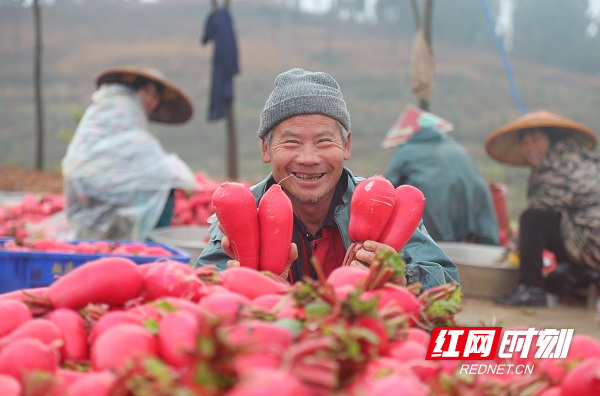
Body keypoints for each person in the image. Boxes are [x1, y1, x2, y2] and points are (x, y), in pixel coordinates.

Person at [197, 68, 459, 290]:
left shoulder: (381, 204)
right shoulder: (243, 210)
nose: (309, 158)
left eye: (324, 141)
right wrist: (246, 288)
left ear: (346, 145)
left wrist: (403, 280)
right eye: (291, 142)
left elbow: (448, 283)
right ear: (266, 149)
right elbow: (201, 289)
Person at [62, 67, 198, 242]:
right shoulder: (123, 106)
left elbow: (130, 152)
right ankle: (150, 246)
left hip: (81, 183)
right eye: (153, 95)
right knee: (166, 185)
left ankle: (122, 240)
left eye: (157, 99)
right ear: (143, 91)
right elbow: (138, 149)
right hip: (94, 184)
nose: (154, 102)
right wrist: (177, 172)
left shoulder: (106, 106)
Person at [486, 110, 600, 307]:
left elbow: (539, 210)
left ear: (551, 139)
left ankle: (531, 289)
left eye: (536, 140)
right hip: (589, 240)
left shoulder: (559, 166)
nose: (529, 147)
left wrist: (509, 251)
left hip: (592, 244)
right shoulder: (578, 157)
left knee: (532, 219)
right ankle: (581, 274)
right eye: (525, 143)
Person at [384, 105, 500, 245]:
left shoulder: (405, 151)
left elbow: (388, 190)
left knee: (435, 254)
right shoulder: (457, 148)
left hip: (436, 214)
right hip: (476, 214)